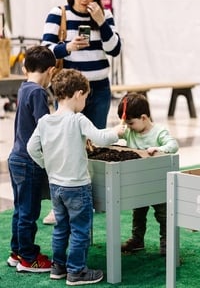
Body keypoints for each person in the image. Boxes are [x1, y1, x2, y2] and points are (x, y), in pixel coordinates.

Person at [27, 69, 125, 285]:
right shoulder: (78, 119)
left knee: (61, 227)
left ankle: (58, 267)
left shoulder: (44, 121)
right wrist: (117, 131)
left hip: (56, 185)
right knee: (80, 230)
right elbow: (100, 137)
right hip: (77, 186)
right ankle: (77, 272)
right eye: (86, 98)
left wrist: (47, 165)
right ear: (79, 94)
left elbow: (31, 148)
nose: (85, 102)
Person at [41, 0, 121, 225]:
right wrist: (68, 47)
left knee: (94, 144)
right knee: (64, 144)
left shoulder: (104, 15)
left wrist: (102, 22)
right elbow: (45, 50)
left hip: (98, 88)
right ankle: (59, 204)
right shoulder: (59, 13)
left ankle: (93, 199)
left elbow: (115, 49)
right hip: (69, 91)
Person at [7, 46, 56, 272]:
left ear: (25, 67)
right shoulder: (38, 92)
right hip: (29, 161)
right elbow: (44, 126)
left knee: (20, 209)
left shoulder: (24, 88)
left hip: (16, 157)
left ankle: (17, 252)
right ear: (51, 71)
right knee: (29, 211)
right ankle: (28, 258)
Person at [117, 93, 179, 256]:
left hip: (159, 185)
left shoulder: (159, 132)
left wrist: (159, 149)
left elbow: (173, 145)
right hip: (140, 184)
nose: (129, 127)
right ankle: (137, 240)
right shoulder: (130, 132)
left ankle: (167, 244)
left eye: (131, 123)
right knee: (138, 214)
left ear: (144, 117)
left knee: (163, 215)